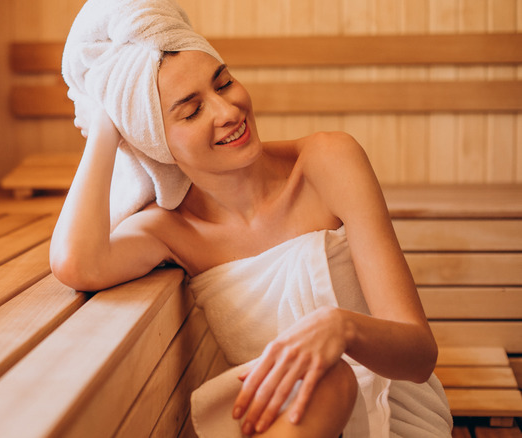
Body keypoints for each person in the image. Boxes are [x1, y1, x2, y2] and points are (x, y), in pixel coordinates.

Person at [52, 1, 453, 436]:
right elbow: (77, 262)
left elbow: (419, 355)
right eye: (191, 111)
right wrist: (107, 126)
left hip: (395, 417)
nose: (227, 112)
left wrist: (341, 327)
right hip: (286, 420)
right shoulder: (172, 230)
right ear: (155, 143)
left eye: (223, 84)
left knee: (327, 374)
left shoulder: (327, 162)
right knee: (319, 379)